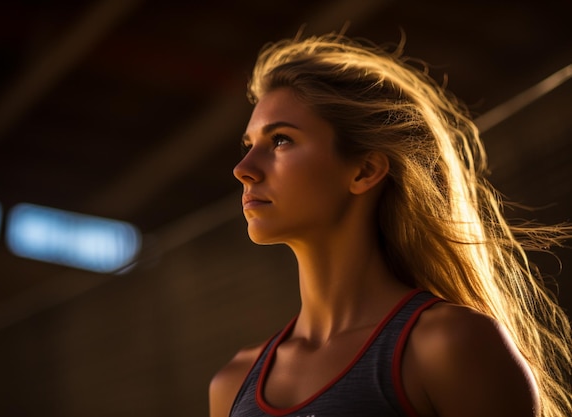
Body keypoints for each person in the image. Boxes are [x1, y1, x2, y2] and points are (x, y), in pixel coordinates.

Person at [209, 32, 572, 417]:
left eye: (280, 140)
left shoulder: (448, 344)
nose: (243, 169)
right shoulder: (232, 382)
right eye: (249, 145)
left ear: (365, 170)